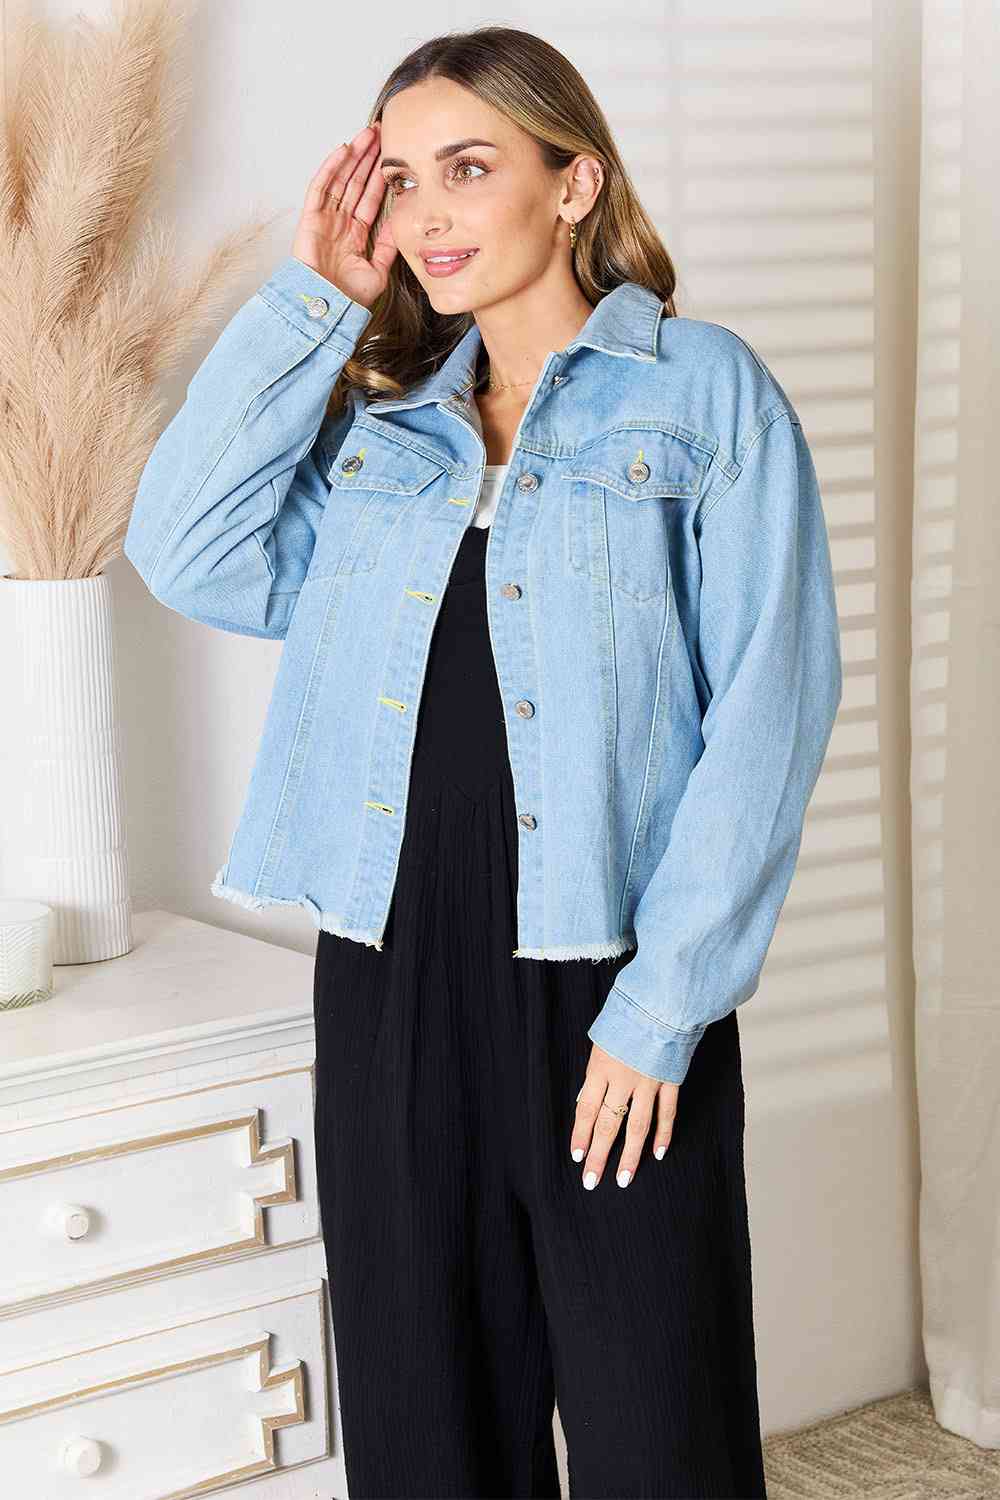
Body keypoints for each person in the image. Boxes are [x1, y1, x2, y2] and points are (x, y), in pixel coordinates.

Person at [124, 24, 842, 1499]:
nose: (428, 215)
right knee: (426, 1437)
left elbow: (771, 711)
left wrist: (664, 1009)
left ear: (575, 184)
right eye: (401, 180)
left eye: (469, 167)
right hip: (389, 980)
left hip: (610, 984)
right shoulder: (386, 436)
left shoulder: (702, 396)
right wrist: (317, 299)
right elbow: (182, 546)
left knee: (660, 1436)